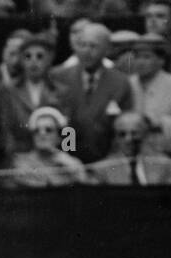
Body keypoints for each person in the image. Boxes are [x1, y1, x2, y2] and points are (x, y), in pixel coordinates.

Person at [54, 22, 132, 165]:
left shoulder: (120, 82)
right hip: (67, 161)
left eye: (93, 46)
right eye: (82, 45)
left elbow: (122, 127)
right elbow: (61, 124)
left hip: (107, 161)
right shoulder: (59, 77)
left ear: (107, 49)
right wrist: (68, 157)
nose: (86, 51)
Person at [0, 32, 72, 161]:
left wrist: (66, 156)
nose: (33, 61)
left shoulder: (62, 91)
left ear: (49, 59)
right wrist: (11, 157)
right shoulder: (7, 89)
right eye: (28, 56)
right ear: (21, 59)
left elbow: (68, 130)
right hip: (19, 156)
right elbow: (6, 129)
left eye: (40, 56)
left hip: (54, 158)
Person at [129, 33, 171, 159]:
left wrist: (157, 123)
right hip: (134, 157)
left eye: (147, 57)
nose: (140, 62)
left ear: (161, 60)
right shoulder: (128, 84)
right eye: (137, 57)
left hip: (167, 158)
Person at [87, 110, 171, 183]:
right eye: (122, 134)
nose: (128, 139)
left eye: (134, 133)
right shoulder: (101, 169)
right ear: (115, 138)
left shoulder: (164, 164)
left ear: (145, 135)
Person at [11, 105, 87, 186]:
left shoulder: (71, 162)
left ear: (58, 137)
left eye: (48, 130)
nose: (42, 134)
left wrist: (71, 168)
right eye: (36, 130)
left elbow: (84, 184)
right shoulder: (21, 163)